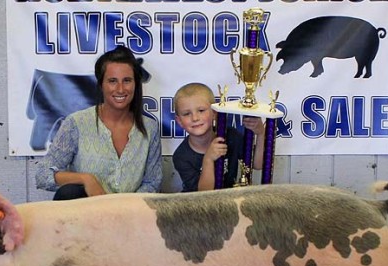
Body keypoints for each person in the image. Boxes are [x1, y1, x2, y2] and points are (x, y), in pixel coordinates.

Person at [36, 46, 162, 200]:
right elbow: (42, 175)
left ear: (136, 84)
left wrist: (123, 210)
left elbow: (152, 183)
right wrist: (85, 179)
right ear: (101, 84)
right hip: (86, 217)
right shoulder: (76, 123)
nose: (120, 89)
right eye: (112, 81)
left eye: (127, 80)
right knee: (68, 193)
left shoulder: (150, 128)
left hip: (130, 217)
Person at [172, 83, 266, 192]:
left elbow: (258, 164)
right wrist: (208, 159)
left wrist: (260, 133)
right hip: (198, 206)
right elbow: (203, 194)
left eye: (201, 111)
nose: (195, 118)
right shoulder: (181, 156)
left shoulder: (231, 137)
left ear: (214, 113)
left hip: (230, 202)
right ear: (179, 121)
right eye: (187, 113)